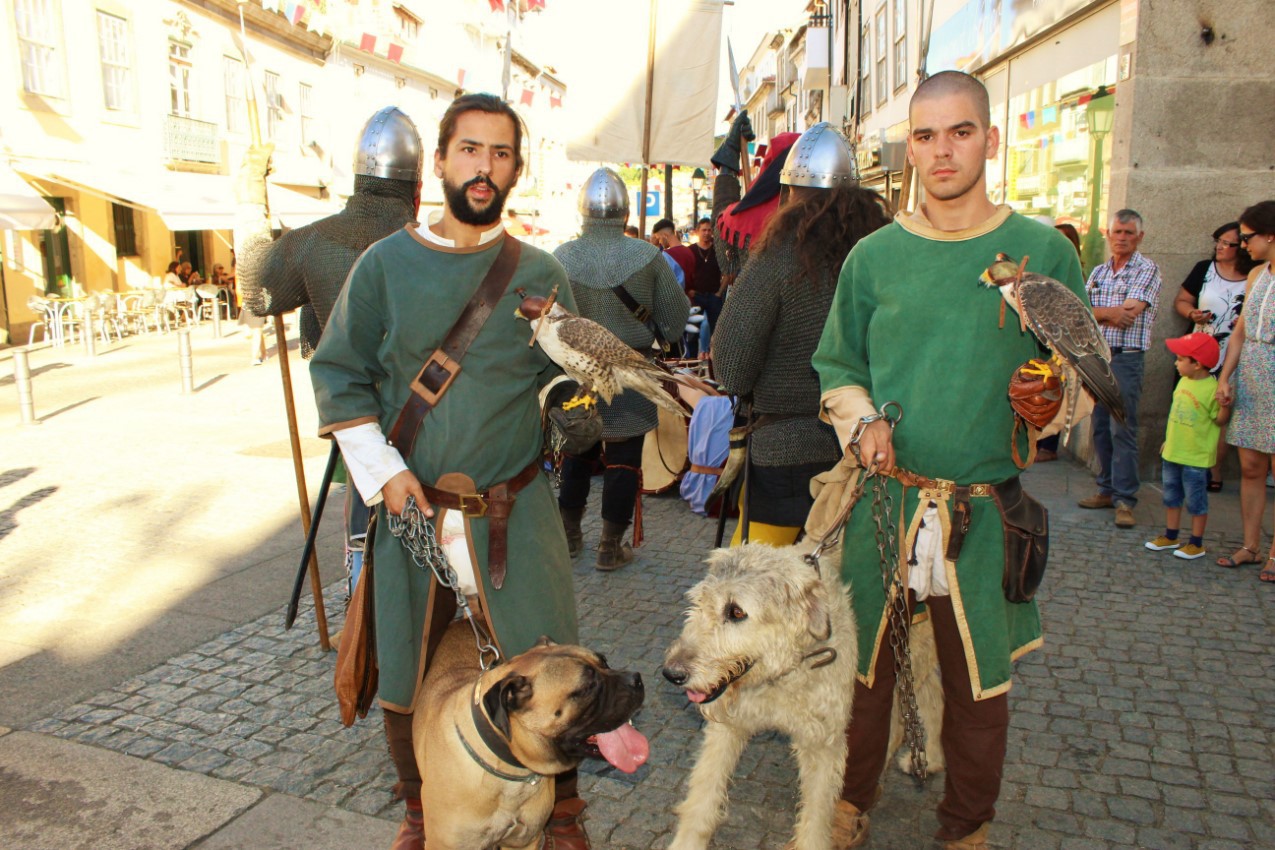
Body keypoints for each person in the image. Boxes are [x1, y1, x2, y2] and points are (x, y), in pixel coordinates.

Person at [309, 93, 592, 850]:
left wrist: (572, 407)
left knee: (549, 661)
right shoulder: (383, 266)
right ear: (438, 161)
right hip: (410, 509)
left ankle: (559, 810)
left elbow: (566, 370)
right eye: (469, 150)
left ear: (515, 170)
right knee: (404, 666)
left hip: (514, 512)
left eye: (499, 154)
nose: (483, 167)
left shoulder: (539, 270)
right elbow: (338, 372)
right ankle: (418, 808)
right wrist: (381, 470)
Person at [813, 70, 1085, 850]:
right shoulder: (873, 256)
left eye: (959, 131)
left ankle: (966, 826)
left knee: (978, 684)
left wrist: (1053, 402)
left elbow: (1074, 376)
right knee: (863, 670)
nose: (941, 151)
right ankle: (846, 801)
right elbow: (837, 364)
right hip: (884, 500)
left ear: (990, 139)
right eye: (925, 135)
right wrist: (862, 420)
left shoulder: (1039, 252)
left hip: (984, 506)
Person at [713, 118, 891, 546]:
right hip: (866, 448)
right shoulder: (881, 260)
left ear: (789, 193)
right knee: (840, 593)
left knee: (757, 596)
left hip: (784, 457)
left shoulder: (777, 258)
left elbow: (731, 371)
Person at [552, 168, 689, 569]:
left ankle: (570, 536)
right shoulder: (647, 257)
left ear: (583, 210)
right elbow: (676, 320)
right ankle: (609, 548)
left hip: (578, 373)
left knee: (577, 450)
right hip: (629, 369)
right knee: (624, 457)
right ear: (624, 210)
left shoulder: (561, 257)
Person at [1077, 209, 1161, 528]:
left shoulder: (1148, 269)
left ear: (1139, 237)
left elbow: (1132, 311)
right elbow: (1082, 311)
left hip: (1126, 357)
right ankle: (1107, 489)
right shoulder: (1099, 271)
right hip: (1097, 357)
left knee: (1122, 428)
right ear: (1108, 234)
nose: (1122, 238)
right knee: (1099, 426)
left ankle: (1125, 499)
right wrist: (1108, 312)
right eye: (1117, 232)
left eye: (1129, 233)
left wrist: (1100, 312)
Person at [1215, 200, 1275, 580]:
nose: (1242, 245)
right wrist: (1225, 376)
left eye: (1248, 238)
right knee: (1251, 466)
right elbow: (1238, 331)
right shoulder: (1256, 276)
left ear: (1271, 236)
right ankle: (1251, 545)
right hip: (1252, 371)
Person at [1172, 221, 1254, 490]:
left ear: (1241, 246)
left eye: (1227, 243)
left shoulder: (1255, 274)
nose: (1219, 247)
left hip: (1234, 353)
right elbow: (1181, 300)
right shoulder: (1203, 269)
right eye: (1217, 240)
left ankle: (1214, 472)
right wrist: (1191, 313)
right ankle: (1187, 465)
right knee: (1193, 409)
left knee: (1221, 415)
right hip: (1197, 355)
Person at [1144, 332, 1228, 560]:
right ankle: (1171, 536)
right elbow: (1175, 416)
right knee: (1171, 496)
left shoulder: (1212, 389)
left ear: (1197, 363)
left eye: (1181, 359)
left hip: (1196, 457)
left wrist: (1224, 405)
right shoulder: (1182, 381)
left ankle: (1196, 543)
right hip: (1173, 452)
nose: (1176, 363)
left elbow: (1219, 421)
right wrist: (1167, 441)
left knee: (1196, 500)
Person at [1035, 222, 1085, 462]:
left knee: (1053, 390)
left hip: (1063, 346)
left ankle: (1049, 446)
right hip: (1045, 341)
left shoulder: (1071, 271)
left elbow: (1076, 315)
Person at [687, 217, 724, 345]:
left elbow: (726, 271)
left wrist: (720, 292)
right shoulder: (690, 250)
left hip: (714, 296)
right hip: (697, 296)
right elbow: (685, 271)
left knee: (717, 331)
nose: (707, 233)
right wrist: (689, 290)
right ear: (698, 231)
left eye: (709, 230)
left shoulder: (717, 250)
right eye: (703, 230)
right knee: (692, 332)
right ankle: (692, 360)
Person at [651, 218, 695, 291]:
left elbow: (664, 283)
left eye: (659, 238)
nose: (659, 242)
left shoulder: (667, 255)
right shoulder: (689, 251)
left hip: (675, 298)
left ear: (665, 235)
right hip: (689, 298)